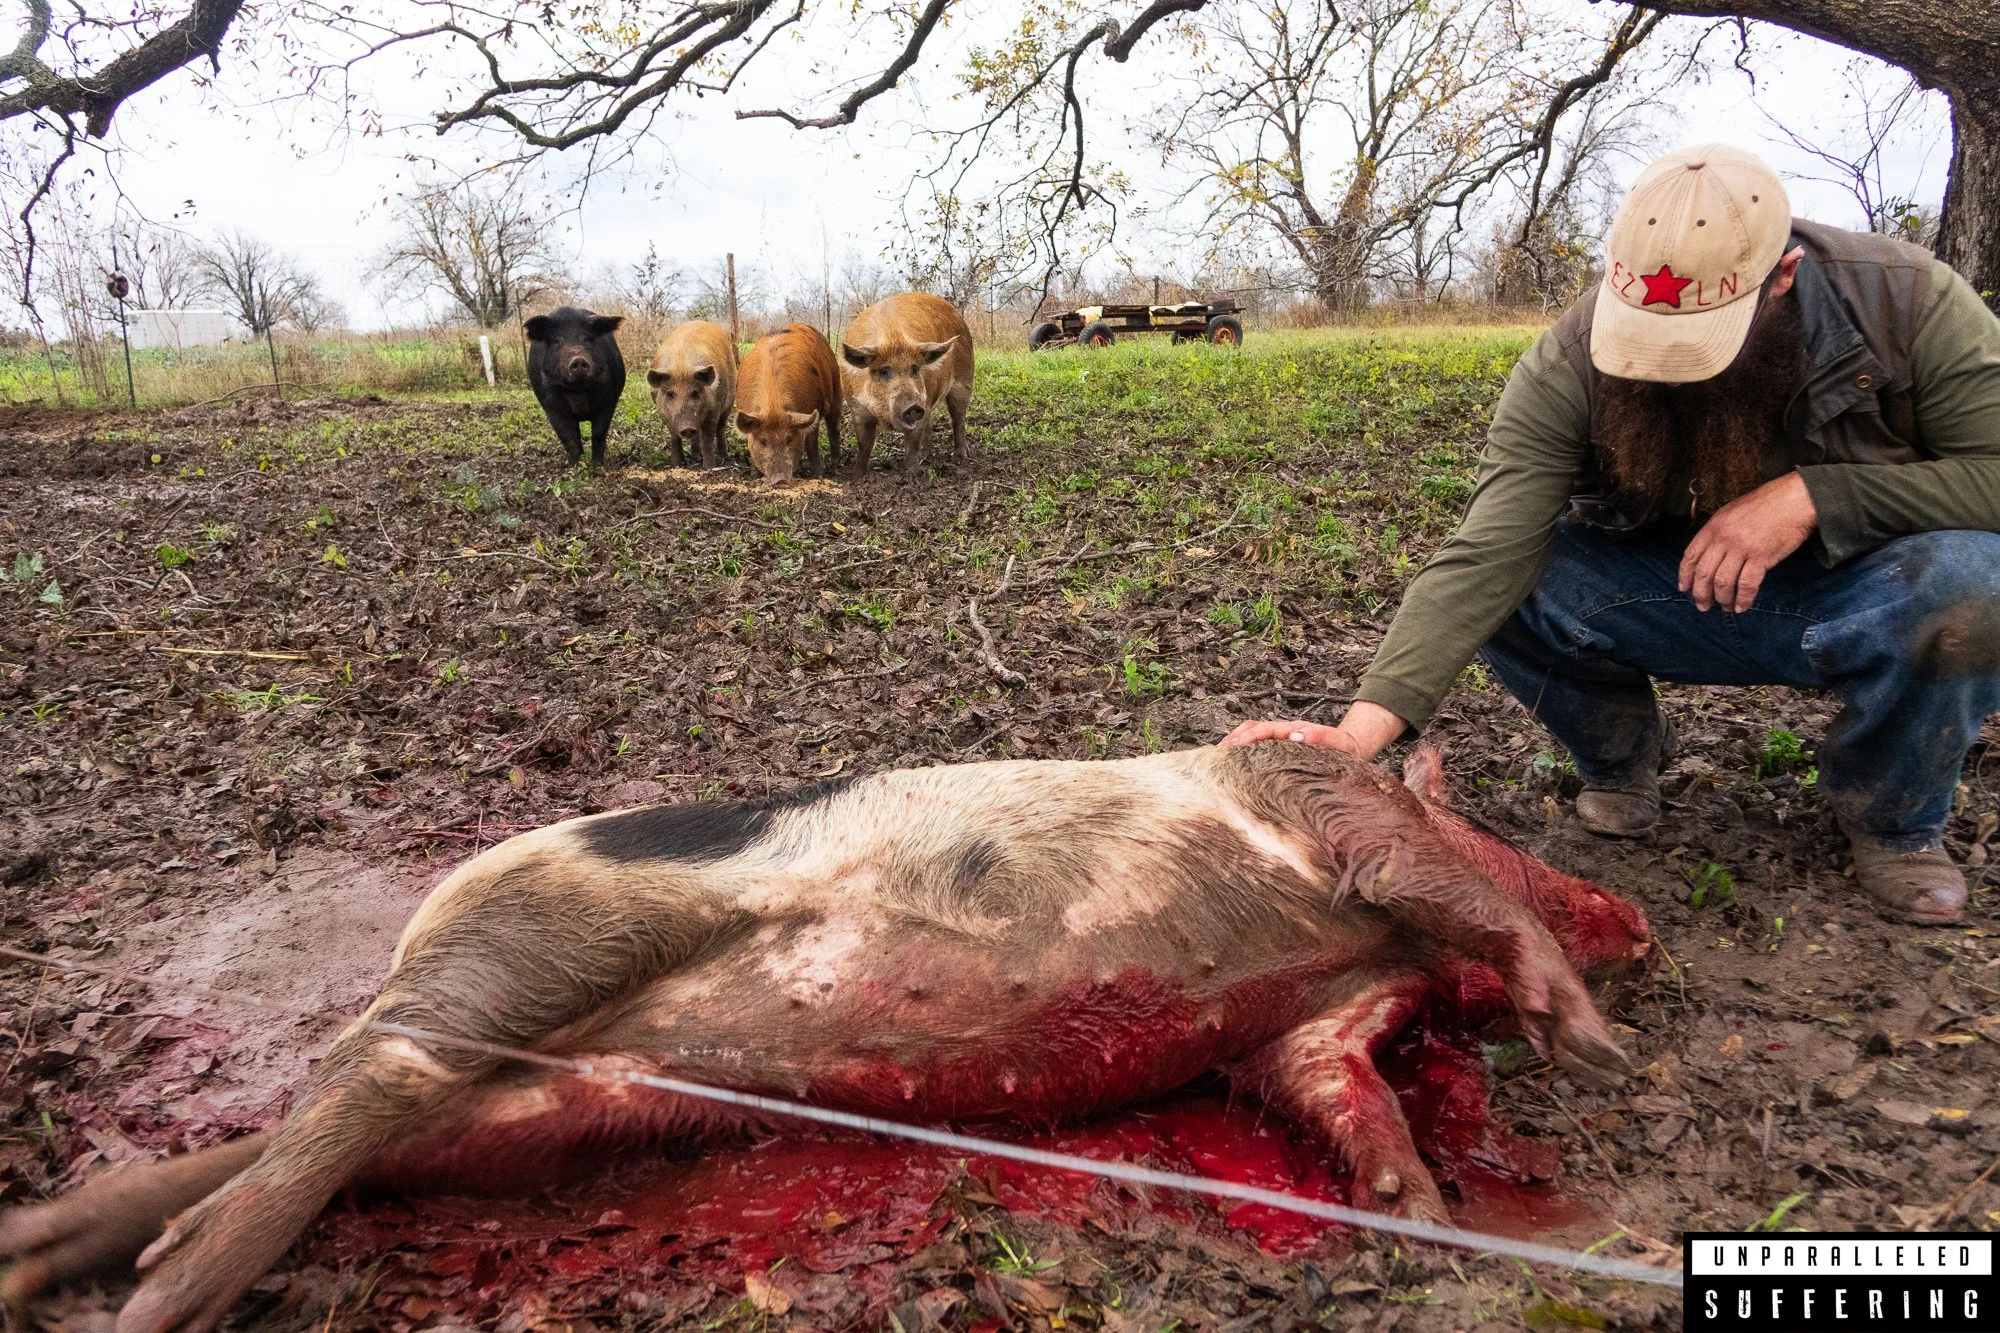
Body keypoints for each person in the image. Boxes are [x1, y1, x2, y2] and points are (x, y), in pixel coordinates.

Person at [1226, 143, 2000, 925]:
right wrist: (1356, 736)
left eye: (1698, 338)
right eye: (1648, 335)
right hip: (1670, 591)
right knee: (1521, 578)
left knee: (1976, 583)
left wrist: (1816, 497)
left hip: (1867, 589)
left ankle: (1894, 819)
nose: (1665, 367)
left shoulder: (1907, 303)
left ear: (1783, 277)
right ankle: (1624, 755)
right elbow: (1488, 547)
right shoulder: (1570, 356)